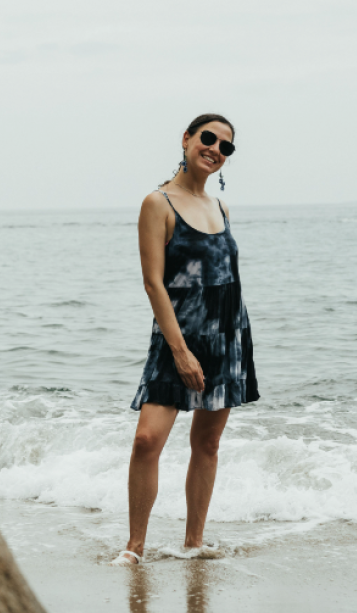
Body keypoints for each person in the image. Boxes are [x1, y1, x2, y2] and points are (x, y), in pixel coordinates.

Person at [111, 114, 260, 566]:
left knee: (208, 444)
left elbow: (227, 277)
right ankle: (135, 547)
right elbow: (154, 284)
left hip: (227, 335)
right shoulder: (157, 204)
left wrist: (228, 343)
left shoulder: (222, 208)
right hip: (177, 336)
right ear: (187, 139)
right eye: (208, 138)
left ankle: (194, 542)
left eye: (225, 146)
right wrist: (179, 351)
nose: (214, 148)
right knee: (146, 441)